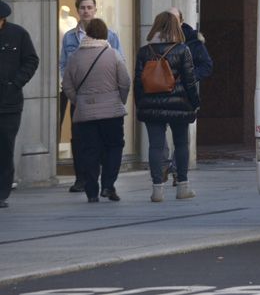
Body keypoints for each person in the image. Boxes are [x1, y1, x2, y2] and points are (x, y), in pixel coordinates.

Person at [61, 18, 131, 203]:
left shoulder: (75, 57)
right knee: (114, 147)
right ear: (105, 34)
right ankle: (108, 185)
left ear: (88, 34)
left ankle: (91, 190)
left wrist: (79, 101)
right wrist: (119, 100)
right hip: (112, 112)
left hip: (85, 113)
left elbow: (67, 85)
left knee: (89, 150)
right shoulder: (113, 55)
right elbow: (125, 82)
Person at [134, 11, 199, 202]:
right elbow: (190, 81)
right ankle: (182, 187)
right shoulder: (182, 50)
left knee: (155, 146)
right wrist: (195, 103)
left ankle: (157, 190)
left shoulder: (145, 51)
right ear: (176, 27)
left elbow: (138, 82)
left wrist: (141, 105)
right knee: (181, 144)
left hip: (151, 105)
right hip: (179, 104)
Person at [0, 0, 40, 209]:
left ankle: (2, 191)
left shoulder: (18, 34)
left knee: (5, 147)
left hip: (9, 103)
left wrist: (16, 83)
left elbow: (31, 60)